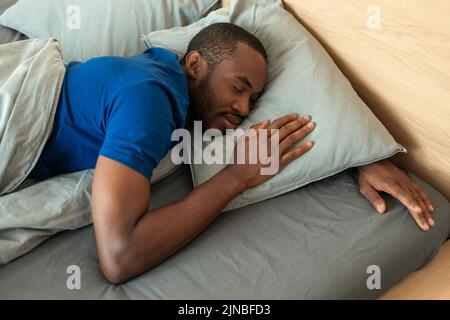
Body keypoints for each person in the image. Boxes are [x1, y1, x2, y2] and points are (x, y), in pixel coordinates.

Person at [27, 23, 434, 284]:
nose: (243, 110)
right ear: (194, 65)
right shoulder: (148, 99)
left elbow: (306, 103)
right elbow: (119, 256)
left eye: (254, 100)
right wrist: (236, 176)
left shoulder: (181, 99)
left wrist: (365, 158)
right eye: (238, 88)